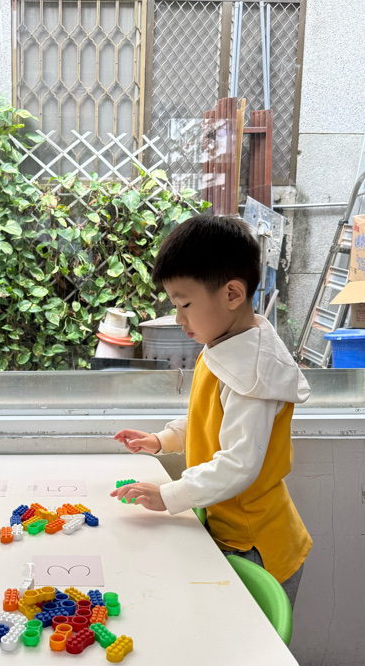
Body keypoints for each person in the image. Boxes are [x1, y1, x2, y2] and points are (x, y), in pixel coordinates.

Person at [111, 214, 311, 605]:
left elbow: (238, 465)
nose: (179, 318)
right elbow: (210, 420)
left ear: (232, 294)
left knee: (243, 637)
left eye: (185, 304)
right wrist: (164, 439)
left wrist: (168, 494)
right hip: (231, 533)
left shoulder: (252, 373)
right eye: (174, 305)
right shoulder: (223, 345)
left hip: (255, 547)